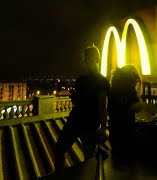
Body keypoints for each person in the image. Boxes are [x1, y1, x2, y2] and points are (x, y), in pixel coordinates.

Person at [54, 45, 110, 173]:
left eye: (87, 59)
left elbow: (101, 106)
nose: (86, 62)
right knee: (88, 158)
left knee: (62, 150)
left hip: (81, 123)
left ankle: (59, 175)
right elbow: (102, 106)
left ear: (94, 59)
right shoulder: (101, 81)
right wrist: (103, 126)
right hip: (86, 123)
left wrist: (103, 126)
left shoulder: (84, 80)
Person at [107, 64, 142, 166]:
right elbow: (137, 107)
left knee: (117, 159)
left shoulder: (114, 86)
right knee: (129, 160)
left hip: (114, 128)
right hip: (128, 129)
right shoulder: (129, 87)